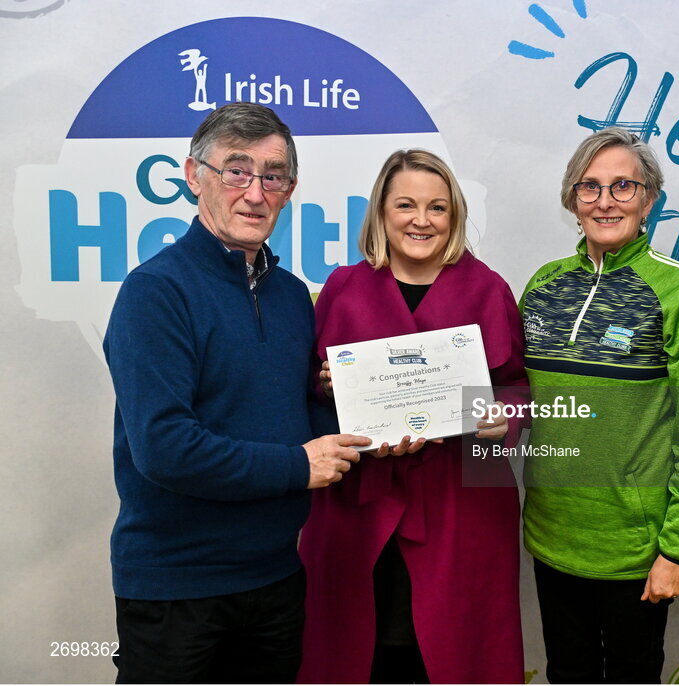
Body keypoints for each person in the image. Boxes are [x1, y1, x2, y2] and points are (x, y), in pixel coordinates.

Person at [103, 102, 372, 683]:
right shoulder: (154, 292)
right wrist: (299, 466)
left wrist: (344, 397)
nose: (255, 192)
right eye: (236, 170)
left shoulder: (293, 296)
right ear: (194, 175)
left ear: (290, 189)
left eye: (272, 176)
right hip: (178, 588)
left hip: (276, 577)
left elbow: (293, 418)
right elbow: (166, 448)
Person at [298, 149, 527, 684]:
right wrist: (326, 385)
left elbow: (518, 388)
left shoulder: (488, 287)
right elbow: (307, 387)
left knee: (451, 657)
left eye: (437, 208)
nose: (421, 220)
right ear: (381, 211)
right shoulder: (343, 287)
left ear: (455, 217)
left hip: (459, 509)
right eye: (406, 204)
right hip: (358, 507)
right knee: (362, 653)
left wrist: (503, 420)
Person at [518, 127, 679, 683]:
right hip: (551, 536)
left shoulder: (677, 290)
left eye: (622, 187)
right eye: (590, 187)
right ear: (572, 200)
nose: (604, 201)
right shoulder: (541, 286)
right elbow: (506, 391)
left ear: (649, 199)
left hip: (636, 548)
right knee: (567, 671)